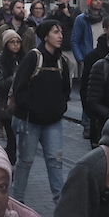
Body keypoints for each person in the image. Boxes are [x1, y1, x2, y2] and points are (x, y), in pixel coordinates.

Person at [10, 20, 71, 203]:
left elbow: (66, 89)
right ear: (45, 36)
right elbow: (19, 89)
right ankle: (17, 202)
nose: (60, 36)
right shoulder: (33, 57)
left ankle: (61, 205)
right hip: (29, 121)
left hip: (53, 122)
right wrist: (33, 108)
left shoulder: (62, 61)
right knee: (25, 161)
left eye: (61, 32)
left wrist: (60, 107)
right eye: (55, 32)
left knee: (55, 162)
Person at [78, 15, 109, 143]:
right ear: (105, 30)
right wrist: (91, 115)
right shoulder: (93, 57)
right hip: (99, 119)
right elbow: (85, 88)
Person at [73, 0, 109, 138]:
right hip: (89, 57)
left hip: (104, 55)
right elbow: (75, 40)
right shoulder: (82, 19)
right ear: (89, 2)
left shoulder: (106, 18)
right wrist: (81, 59)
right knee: (87, 90)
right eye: (95, 0)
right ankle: (87, 124)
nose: (98, 2)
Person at [0, 30, 24, 163]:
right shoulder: (0, 61)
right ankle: (9, 161)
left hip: (22, 104)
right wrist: (13, 79)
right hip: (6, 106)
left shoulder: (25, 58)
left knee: (18, 139)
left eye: (18, 42)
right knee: (12, 137)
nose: (16, 45)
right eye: (12, 42)